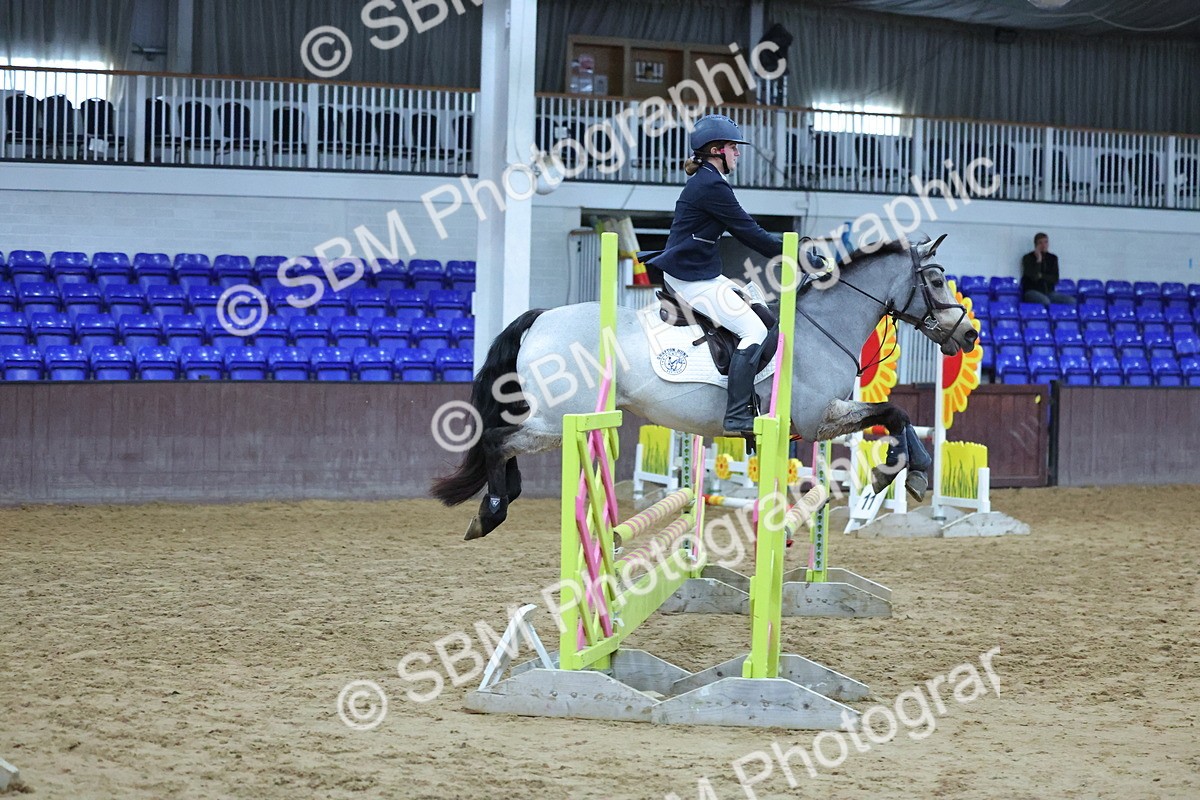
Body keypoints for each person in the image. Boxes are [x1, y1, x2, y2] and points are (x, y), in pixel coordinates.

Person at [643, 114, 784, 435]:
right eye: (733, 147)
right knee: (753, 331)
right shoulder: (711, 185)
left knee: (762, 315)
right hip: (690, 279)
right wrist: (793, 253)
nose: (738, 153)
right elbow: (750, 232)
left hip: (702, 273)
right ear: (717, 150)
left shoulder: (709, 180)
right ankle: (735, 415)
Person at [1020, 232, 1076, 306]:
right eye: (1040, 243)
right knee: (1045, 301)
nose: (1044, 245)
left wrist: (1041, 276)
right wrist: (1039, 260)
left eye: (1046, 242)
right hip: (1031, 291)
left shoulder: (1053, 258)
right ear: (1036, 245)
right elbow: (1034, 277)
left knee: (1071, 301)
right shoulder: (1027, 258)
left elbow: (1055, 279)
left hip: (1049, 292)